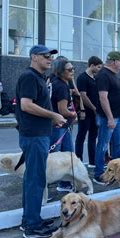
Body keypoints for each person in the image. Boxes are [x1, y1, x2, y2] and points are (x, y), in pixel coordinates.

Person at [15, 44, 66, 238]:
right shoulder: (29, 76)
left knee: (32, 178)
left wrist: (52, 120)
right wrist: (54, 115)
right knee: (36, 180)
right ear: (34, 57)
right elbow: (26, 105)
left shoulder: (38, 78)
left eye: (51, 56)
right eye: (45, 56)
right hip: (34, 136)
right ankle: (32, 225)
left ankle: (30, 219)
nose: (49, 59)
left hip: (39, 134)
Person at [93, 51, 120, 185]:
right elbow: (103, 97)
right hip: (109, 118)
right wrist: (110, 118)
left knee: (117, 146)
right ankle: (99, 174)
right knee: (102, 145)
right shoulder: (103, 75)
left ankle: (117, 173)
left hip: (117, 117)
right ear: (114, 61)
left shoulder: (114, 75)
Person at [50, 59, 77, 192]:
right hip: (60, 125)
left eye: (73, 69)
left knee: (66, 155)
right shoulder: (61, 86)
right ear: (61, 71)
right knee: (60, 156)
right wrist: (73, 114)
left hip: (58, 125)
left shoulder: (55, 83)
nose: (72, 72)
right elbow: (62, 110)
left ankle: (64, 183)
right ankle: (53, 184)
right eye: (69, 70)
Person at [75, 56, 103, 167]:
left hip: (95, 113)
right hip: (85, 112)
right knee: (81, 136)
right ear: (92, 65)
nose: (100, 69)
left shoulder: (95, 78)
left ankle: (92, 161)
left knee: (93, 136)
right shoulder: (82, 78)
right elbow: (83, 95)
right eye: (98, 67)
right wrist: (93, 108)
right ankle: (79, 161)